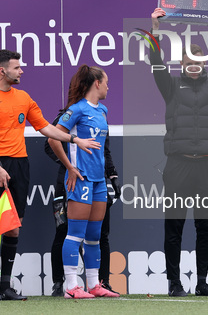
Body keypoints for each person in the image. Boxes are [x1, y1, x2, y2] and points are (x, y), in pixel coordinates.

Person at [0, 49, 100, 301]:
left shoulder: (23, 97)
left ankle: (6, 286)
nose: (21, 71)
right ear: (2, 71)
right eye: (17, 67)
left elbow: (46, 128)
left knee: (13, 227)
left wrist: (75, 139)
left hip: (20, 165)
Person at [150, 8, 208, 297]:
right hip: (178, 166)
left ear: (206, 63)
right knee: (174, 227)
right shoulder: (171, 87)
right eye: (189, 62)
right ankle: (175, 284)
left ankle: (202, 282)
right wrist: (155, 30)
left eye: (199, 61)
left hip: (207, 167)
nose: (194, 65)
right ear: (181, 63)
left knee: (205, 227)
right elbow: (155, 63)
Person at [48, 65, 119, 299]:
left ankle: (93, 284)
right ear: (96, 83)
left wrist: (109, 174)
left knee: (94, 236)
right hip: (82, 179)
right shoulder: (75, 110)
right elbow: (52, 138)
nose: (109, 86)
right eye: (106, 81)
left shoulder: (103, 110)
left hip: (98, 181)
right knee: (74, 234)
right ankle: (70, 286)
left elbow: (103, 148)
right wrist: (70, 167)